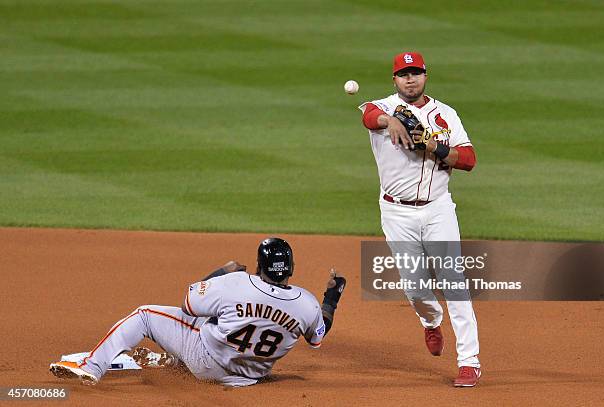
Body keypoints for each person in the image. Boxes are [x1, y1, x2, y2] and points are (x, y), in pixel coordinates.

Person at [49, 237, 346, 386]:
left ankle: (92, 366)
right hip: (247, 378)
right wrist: (331, 296)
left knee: (145, 315)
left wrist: (221, 271)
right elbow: (318, 334)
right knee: (221, 317)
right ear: (291, 269)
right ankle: (173, 361)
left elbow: (188, 305)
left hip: (206, 362)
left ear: (259, 266)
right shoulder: (306, 304)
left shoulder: (236, 282)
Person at [358, 52, 481, 387]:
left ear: (426, 75)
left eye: (416, 73)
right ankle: (431, 321)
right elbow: (369, 117)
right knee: (415, 287)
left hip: (439, 208)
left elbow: (469, 159)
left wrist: (436, 148)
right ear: (394, 79)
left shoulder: (446, 114)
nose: (410, 79)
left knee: (454, 282)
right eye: (403, 74)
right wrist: (391, 121)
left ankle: (469, 362)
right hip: (397, 212)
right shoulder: (382, 106)